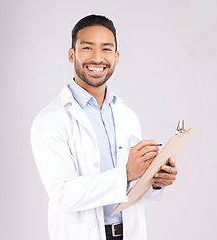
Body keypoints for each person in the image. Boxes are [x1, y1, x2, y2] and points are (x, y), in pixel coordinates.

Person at [31, 14, 177, 240]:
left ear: (117, 57)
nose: (97, 58)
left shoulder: (127, 115)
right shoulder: (51, 120)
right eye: (87, 48)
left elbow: (130, 188)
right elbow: (63, 195)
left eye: (106, 49)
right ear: (72, 55)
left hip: (129, 233)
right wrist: (127, 173)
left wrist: (156, 180)